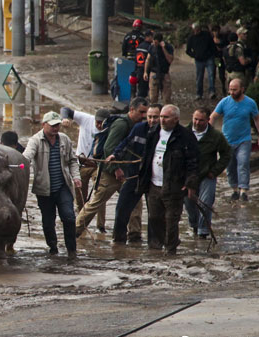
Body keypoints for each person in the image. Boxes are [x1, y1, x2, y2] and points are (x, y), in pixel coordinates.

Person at [75, 98, 149, 238]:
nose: (143, 116)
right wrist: (116, 169)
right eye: (141, 112)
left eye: (146, 113)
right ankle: (74, 232)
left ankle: (134, 235)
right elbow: (109, 148)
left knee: (135, 203)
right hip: (110, 173)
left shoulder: (138, 126)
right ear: (131, 110)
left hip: (128, 173)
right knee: (95, 203)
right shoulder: (121, 125)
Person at [137, 105, 199, 255]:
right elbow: (147, 157)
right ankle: (169, 242)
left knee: (172, 220)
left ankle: (171, 251)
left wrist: (190, 184)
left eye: (166, 117)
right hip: (154, 184)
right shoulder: (154, 132)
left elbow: (193, 162)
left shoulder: (185, 136)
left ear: (176, 119)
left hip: (174, 186)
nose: (162, 120)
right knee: (154, 218)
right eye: (161, 117)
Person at [23, 111, 82, 259]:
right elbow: (27, 156)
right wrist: (21, 165)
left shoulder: (64, 140)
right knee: (48, 222)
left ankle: (72, 250)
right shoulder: (35, 140)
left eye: (58, 125)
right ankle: (53, 248)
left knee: (69, 217)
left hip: (63, 186)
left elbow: (72, 161)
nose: (56, 129)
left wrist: (76, 176)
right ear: (44, 125)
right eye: (53, 126)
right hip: (44, 189)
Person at [108, 103, 162, 244]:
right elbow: (125, 144)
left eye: (155, 117)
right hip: (135, 176)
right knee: (121, 209)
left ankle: (154, 246)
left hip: (154, 180)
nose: (152, 120)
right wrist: (115, 156)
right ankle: (118, 242)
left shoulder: (167, 133)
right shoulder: (139, 129)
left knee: (155, 215)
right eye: (149, 117)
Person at [210, 79, 259, 202]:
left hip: (244, 140)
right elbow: (213, 117)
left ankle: (244, 190)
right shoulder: (224, 102)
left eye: (235, 89)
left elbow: (257, 119)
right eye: (230, 89)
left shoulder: (250, 103)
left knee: (243, 163)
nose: (232, 92)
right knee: (230, 167)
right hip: (227, 140)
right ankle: (234, 189)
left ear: (242, 89)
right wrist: (209, 133)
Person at [60, 106, 110, 233]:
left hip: (98, 165)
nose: (99, 125)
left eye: (102, 123)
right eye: (97, 122)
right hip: (81, 163)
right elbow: (66, 109)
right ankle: (82, 223)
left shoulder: (111, 127)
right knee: (79, 194)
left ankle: (100, 226)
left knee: (100, 192)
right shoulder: (86, 119)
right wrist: (65, 118)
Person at [184, 107, 231, 239]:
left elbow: (227, 154)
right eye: (195, 119)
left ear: (208, 120)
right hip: (187, 176)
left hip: (206, 175)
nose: (197, 123)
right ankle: (194, 226)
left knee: (206, 202)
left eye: (201, 120)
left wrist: (215, 170)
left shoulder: (216, 136)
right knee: (189, 203)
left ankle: (203, 232)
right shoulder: (184, 133)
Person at [186, 23, 216, 100]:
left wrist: (211, 54)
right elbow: (188, 50)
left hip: (208, 57)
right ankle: (199, 93)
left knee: (211, 75)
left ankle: (212, 91)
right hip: (199, 59)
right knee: (199, 77)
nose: (196, 31)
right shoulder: (191, 38)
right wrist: (195, 55)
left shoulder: (206, 35)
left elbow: (212, 46)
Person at [144, 33, 174, 104]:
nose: (154, 44)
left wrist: (163, 48)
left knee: (166, 97)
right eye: (153, 42)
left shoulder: (168, 47)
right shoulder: (152, 47)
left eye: (156, 42)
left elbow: (170, 60)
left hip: (164, 73)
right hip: (154, 72)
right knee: (153, 97)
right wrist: (145, 72)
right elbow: (148, 59)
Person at [133, 30, 153, 98]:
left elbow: (135, 58)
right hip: (146, 70)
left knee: (139, 88)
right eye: (152, 37)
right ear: (148, 37)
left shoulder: (139, 46)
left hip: (138, 69)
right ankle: (141, 103)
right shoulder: (150, 47)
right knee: (144, 90)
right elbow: (150, 60)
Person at [211, 25, 228, 97]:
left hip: (220, 58)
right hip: (214, 58)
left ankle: (223, 87)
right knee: (212, 74)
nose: (216, 33)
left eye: (217, 31)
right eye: (214, 31)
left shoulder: (223, 38)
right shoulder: (211, 39)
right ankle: (212, 89)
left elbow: (225, 46)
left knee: (221, 73)